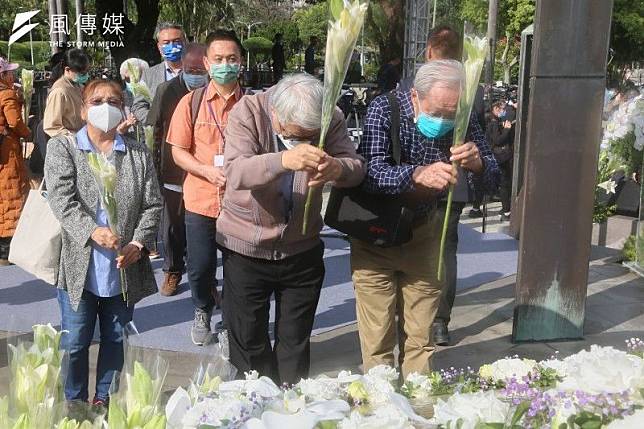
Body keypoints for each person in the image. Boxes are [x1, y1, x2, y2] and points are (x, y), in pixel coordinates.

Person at [353, 61, 498, 377]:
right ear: (415, 96)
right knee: (377, 336)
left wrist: (478, 164)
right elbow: (370, 172)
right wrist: (416, 175)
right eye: (439, 111)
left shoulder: (463, 116)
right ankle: (380, 404)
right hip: (376, 236)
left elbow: (493, 178)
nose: (445, 120)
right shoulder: (384, 108)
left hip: (426, 235)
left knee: (421, 337)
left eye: (452, 114)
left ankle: (419, 405)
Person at [217, 73, 365, 384]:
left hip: (302, 248)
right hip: (246, 247)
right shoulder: (248, 111)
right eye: (295, 134)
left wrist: (337, 168)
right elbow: (236, 172)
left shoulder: (332, 117)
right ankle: (252, 406)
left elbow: (355, 168)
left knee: (295, 341)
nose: (304, 142)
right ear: (275, 114)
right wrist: (284, 159)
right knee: (248, 340)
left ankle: (292, 405)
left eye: (311, 135)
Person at [44, 79, 162, 406]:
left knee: (114, 337)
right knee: (76, 341)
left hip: (122, 268)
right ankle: (74, 402)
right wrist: (92, 230)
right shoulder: (65, 148)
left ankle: (103, 401)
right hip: (79, 266)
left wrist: (138, 243)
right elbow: (61, 199)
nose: (105, 107)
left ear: (123, 108)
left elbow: (153, 204)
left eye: (113, 100)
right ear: (83, 110)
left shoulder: (136, 154)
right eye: (97, 101)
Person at [166, 30, 243, 346]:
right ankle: (202, 309)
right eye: (220, 59)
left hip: (241, 202)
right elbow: (178, 151)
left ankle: (231, 319)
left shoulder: (254, 104)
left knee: (240, 268)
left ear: (241, 62)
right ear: (208, 64)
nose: (226, 65)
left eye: (232, 59)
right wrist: (205, 172)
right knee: (199, 267)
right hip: (200, 200)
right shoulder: (191, 103)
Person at [147, 43, 208, 296]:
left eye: (199, 69)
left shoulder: (213, 91)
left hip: (205, 173)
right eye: (190, 68)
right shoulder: (167, 90)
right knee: (173, 225)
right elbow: (155, 129)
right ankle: (173, 270)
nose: (195, 73)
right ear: (182, 66)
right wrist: (155, 170)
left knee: (204, 229)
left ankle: (204, 278)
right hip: (173, 172)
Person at [0, 57, 31, 266]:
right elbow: (14, 122)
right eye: (10, 72)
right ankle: (6, 249)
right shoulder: (7, 94)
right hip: (7, 151)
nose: (13, 75)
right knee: (10, 193)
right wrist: (27, 131)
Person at [131, 22, 186, 123]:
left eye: (176, 41)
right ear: (159, 47)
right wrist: (154, 122)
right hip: (160, 134)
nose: (172, 46)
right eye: (166, 43)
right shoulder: (149, 75)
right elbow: (138, 105)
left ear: (185, 43)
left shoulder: (199, 72)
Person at [43, 48, 90, 137]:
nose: (85, 75)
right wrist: (74, 137)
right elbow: (51, 126)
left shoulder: (78, 86)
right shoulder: (59, 91)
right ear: (67, 69)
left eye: (86, 72)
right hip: (70, 140)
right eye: (81, 73)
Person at [487, 101, 514, 221]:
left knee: (505, 182)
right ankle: (506, 209)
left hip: (500, 155)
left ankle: (506, 208)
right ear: (496, 109)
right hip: (501, 156)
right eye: (502, 109)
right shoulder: (493, 123)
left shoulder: (495, 121)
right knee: (504, 183)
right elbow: (497, 140)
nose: (504, 112)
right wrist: (507, 130)